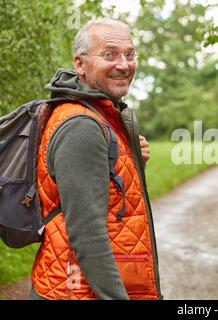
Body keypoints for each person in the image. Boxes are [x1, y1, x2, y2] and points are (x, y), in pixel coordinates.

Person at [30, 18, 161, 300]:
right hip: (76, 292)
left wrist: (134, 164)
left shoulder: (100, 116)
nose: (124, 64)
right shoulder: (82, 125)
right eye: (109, 54)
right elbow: (87, 234)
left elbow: (109, 200)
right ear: (80, 64)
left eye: (130, 54)